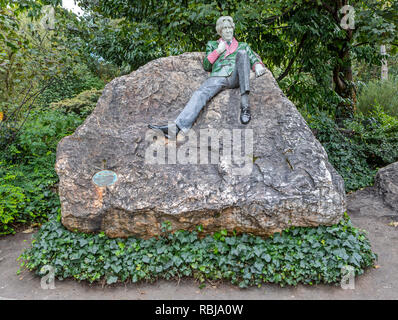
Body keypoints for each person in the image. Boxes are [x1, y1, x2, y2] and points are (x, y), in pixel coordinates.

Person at [148, 16, 266, 139]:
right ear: (220, 31)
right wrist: (218, 51)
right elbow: (206, 65)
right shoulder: (212, 44)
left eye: (230, 27)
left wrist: (257, 65)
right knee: (200, 93)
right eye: (224, 28)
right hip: (218, 77)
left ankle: (245, 106)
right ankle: (176, 128)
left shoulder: (243, 46)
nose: (228, 30)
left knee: (242, 54)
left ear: (233, 29)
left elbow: (252, 58)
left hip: (236, 76)